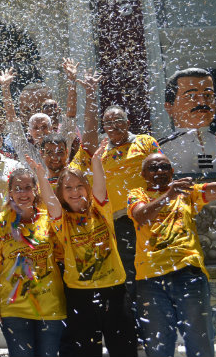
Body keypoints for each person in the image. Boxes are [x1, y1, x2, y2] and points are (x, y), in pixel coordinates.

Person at [127, 122, 216, 357]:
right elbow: (141, 216)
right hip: (150, 280)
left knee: (200, 346)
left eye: (164, 167)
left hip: (188, 274)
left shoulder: (187, 193)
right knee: (159, 349)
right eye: (153, 168)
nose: (159, 172)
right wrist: (169, 195)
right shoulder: (137, 195)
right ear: (143, 175)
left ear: (172, 171)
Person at [31, 141, 137, 357]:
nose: (75, 192)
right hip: (80, 294)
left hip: (115, 290)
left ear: (86, 189)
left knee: (124, 350)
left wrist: (96, 162)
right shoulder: (62, 221)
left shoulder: (101, 210)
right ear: (61, 193)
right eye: (68, 188)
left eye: (79, 186)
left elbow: (100, 188)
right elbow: (50, 203)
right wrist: (41, 176)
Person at [70, 103, 162, 308]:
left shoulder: (145, 142)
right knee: (129, 271)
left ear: (128, 123)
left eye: (118, 121)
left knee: (155, 265)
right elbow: (76, 169)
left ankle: (158, 312)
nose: (113, 126)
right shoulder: (100, 151)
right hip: (119, 221)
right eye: (108, 123)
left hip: (148, 216)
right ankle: (136, 321)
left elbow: (163, 169)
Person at [0, 168, 66, 357]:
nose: (23, 193)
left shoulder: (49, 220)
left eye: (27, 187)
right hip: (14, 309)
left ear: (36, 190)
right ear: (10, 192)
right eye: (17, 188)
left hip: (50, 308)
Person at [160, 68, 216, 175]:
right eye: (191, 95)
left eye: (208, 95)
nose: (202, 102)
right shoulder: (160, 150)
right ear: (169, 107)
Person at [0, 68, 49, 168]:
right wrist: (5, 89)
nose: (34, 115)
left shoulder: (61, 139)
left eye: (40, 109)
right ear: (20, 114)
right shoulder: (16, 143)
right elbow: (12, 120)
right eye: (27, 111)